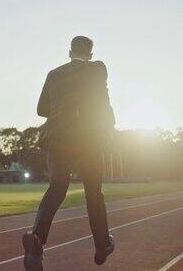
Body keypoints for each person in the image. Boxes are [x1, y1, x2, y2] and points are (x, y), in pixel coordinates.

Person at [22, 36, 116, 270]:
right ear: (91, 55)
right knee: (94, 193)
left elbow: (41, 109)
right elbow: (104, 103)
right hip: (88, 139)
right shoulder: (97, 69)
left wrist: (62, 110)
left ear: (69, 52)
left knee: (57, 188)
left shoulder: (54, 74)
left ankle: (37, 240)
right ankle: (102, 245)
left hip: (58, 139)